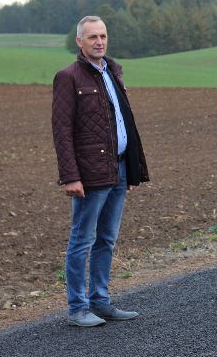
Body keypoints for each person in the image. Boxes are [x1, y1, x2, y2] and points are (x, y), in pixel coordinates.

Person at [52, 16, 150, 327]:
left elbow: (124, 122)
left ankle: (100, 301)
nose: (99, 42)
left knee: (106, 238)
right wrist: (70, 176)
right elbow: (62, 131)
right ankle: (77, 308)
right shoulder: (68, 77)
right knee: (82, 239)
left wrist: (131, 168)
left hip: (117, 168)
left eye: (103, 36)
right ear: (79, 41)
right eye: (92, 36)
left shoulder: (113, 71)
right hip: (90, 173)